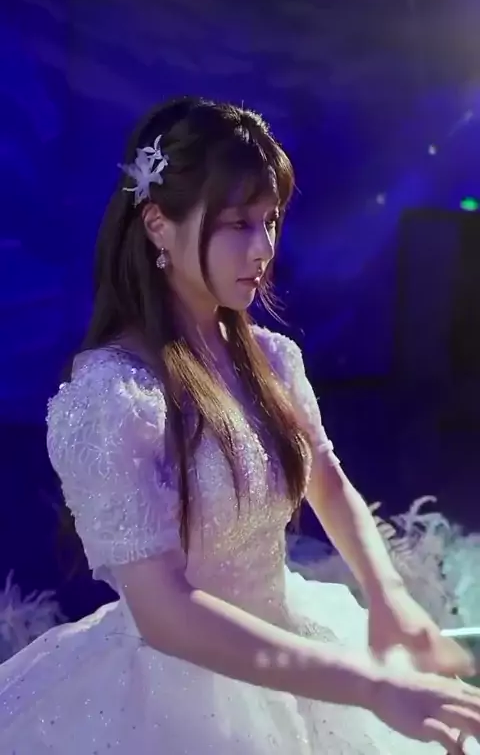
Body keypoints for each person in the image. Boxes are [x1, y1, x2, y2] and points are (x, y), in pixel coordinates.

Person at [0, 96, 479, 755]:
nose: (263, 248)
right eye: (237, 224)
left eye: (270, 220)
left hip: (294, 635)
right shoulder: (115, 396)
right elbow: (165, 613)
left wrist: (388, 594)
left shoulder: (272, 359)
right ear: (158, 224)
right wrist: (368, 685)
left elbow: (326, 478)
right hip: (175, 695)